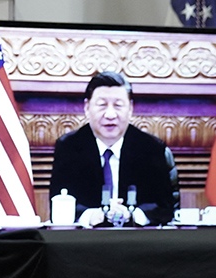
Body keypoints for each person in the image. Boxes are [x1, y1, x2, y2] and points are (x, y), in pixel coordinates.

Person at [48, 71, 179, 227]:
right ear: (87, 107)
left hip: (139, 242)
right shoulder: (69, 147)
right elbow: (60, 204)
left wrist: (132, 214)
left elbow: (164, 207)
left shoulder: (151, 148)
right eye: (102, 105)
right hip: (86, 242)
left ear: (130, 108)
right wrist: (90, 215)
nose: (110, 114)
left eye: (118, 105)